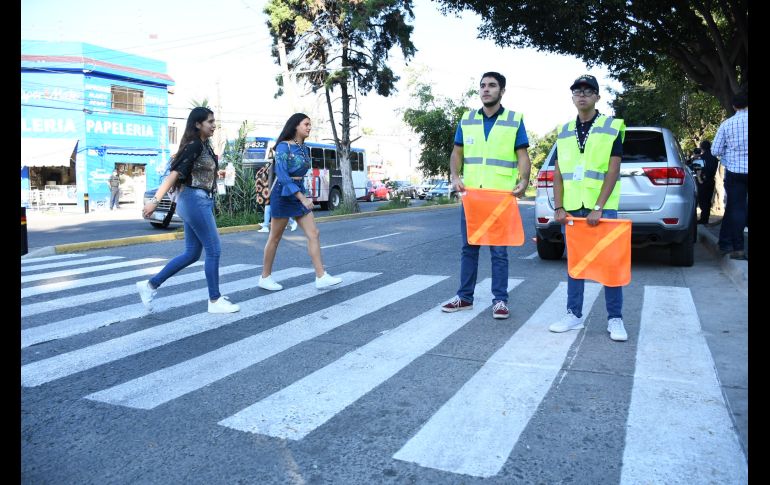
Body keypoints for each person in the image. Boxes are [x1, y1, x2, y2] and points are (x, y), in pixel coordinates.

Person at [440, 71, 532, 319]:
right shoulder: (467, 119)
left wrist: (524, 180)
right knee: (468, 248)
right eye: (482, 86)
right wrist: (455, 176)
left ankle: (500, 300)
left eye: (492, 85)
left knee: (499, 252)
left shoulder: (514, 120)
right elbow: (457, 152)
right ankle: (464, 297)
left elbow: (522, 155)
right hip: (473, 197)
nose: (486, 89)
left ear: (502, 91)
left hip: (500, 197)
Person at [135, 107, 240, 314]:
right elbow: (174, 174)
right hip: (194, 200)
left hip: (198, 199)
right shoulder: (193, 145)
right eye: (210, 121)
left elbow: (196, 172)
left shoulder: (204, 145)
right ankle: (214, 300)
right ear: (198, 124)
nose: (213, 125)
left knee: (192, 253)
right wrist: (155, 201)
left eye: (213, 121)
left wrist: (215, 173)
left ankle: (149, 286)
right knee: (214, 249)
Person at [548, 74, 628, 342]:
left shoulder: (611, 126)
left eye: (587, 90)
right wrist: (558, 206)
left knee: (610, 265)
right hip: (572, 208)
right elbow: (558, 173)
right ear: (572, 97)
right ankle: (573, 314)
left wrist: (599, 206)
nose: (581, 94)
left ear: (597, 96)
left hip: (601, 209)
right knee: (576, 264)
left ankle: (615, 319)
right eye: (577, 91)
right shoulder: (564, 130)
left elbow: (613, 170)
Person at [257, 113, 342, 291]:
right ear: (296, 126)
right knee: (275, 237)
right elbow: (281, 174)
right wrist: (302, 197)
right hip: (282, 193)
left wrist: (303, 193)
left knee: (314, 233)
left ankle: (321, 276)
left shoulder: (304, 148)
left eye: (310, 124)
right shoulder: (283, 146)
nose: (309, 127)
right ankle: (265, 277)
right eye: (306, 124)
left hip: (297, 191)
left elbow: (301, 175)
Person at [712, 90, 748, 260]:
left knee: (736, 209)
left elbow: (715, 150)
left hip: (735, 171)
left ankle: (738, 248)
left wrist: (729, 153)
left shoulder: (727, 124)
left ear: (734, 106)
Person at [256, 163, 297, 233]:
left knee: (278, 209)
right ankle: (266, 225)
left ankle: (292, 222)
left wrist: (270, 190)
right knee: (269, 207)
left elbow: (273, 178)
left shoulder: (275, 164)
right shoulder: (271, 164)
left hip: (273, 189)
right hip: (270, 189)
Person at [696, 140, 719, 224]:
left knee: (702, 200)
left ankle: (703, 219)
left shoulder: (699, 158)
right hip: (711, 181)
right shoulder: (715, 159)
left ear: (701, 147)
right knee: (708, 200)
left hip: (702, 181)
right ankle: (706, 219)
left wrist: (699, 180)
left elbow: (698, 171)